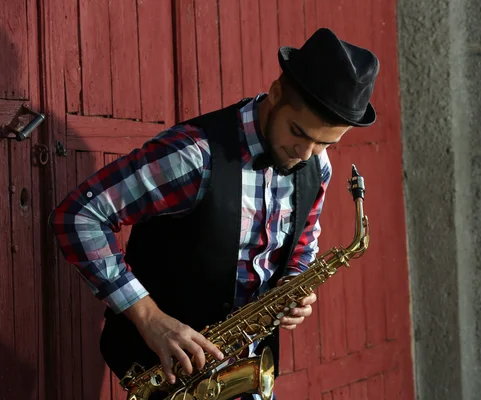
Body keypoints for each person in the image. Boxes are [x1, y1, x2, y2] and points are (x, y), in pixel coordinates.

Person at [49, 27, 379, 399]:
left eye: (324, 142)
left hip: (243, 375)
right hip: (166, 375)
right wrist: (149, 318)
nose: (305, 153)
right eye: (298, 132)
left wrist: (294, 282)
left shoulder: (318, 165)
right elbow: (80, 215)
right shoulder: (193, 155)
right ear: (275, 93)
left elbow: (303, 242)